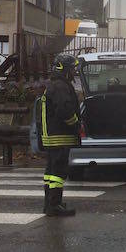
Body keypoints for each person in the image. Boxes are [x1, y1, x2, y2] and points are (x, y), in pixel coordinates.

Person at [37, 54, 81, 217]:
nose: (74, 71)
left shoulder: (53, 84)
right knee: (58, 173)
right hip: (60, 136)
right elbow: (64, 110)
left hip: (52, 136)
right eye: (72, 68)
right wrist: (76, 124)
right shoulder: (62, 86)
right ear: (64, 69)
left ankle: (49, 204)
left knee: (51, 172)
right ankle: (54, 205)